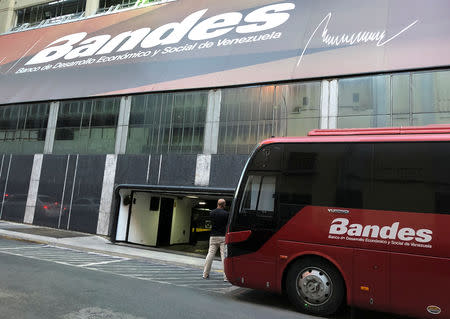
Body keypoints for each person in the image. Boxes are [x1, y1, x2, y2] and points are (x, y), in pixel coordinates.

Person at [202, 198, 228, 281]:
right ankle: (225, 277)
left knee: (210, 254)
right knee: (223, 256)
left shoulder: (211, 213)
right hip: (223, 237)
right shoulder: (226, 214)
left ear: (217, 204)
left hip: (213, 236)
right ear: (223, 205)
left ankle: (205, 274)